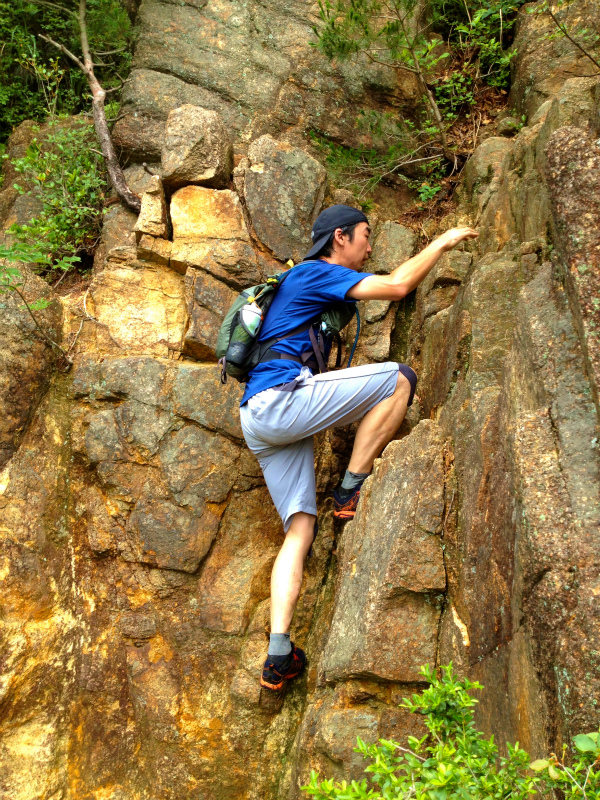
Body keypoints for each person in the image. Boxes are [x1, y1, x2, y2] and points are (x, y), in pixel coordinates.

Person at [239, 204, 478, 691]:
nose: (370, 245)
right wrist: (442, 242)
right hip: (282, 401)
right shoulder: (314, 273)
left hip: (257, 419)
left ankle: (278, 653)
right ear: (340, 238)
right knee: (398, 379)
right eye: (366, 235)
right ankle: (350, 489)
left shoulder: (303, 284)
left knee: (299, 529)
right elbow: (395, 286)